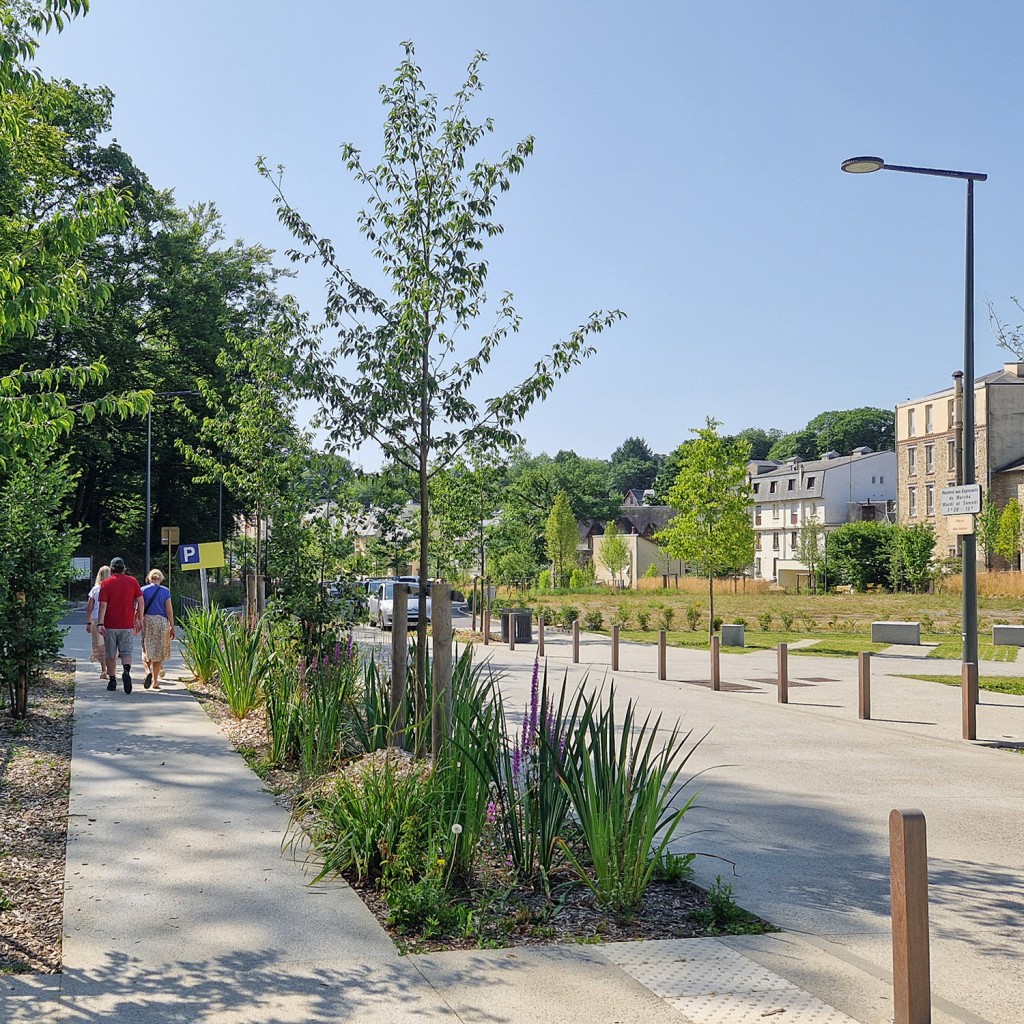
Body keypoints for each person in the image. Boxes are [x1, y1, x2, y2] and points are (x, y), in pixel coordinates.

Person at [97, 556, 144, 693]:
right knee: (126, 652)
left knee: (110, 655)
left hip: (110, 625)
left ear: (111, 570)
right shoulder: (133, 581)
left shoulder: (106, 583)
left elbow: (103, 606)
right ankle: (126, 670)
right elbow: (141, 602)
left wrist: (100, 623)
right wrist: (139, 619)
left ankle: (112, 681)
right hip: (127, 624)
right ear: (124, 569)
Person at [140, 569, 174, 690]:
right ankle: (155, 682)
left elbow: (139, 608)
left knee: (146, 648)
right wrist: (172, 627)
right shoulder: (165, 591)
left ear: (149, 578)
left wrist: (137, 622)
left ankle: (147, 671)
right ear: (161, 578)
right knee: (159, 652)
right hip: (162, 622)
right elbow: (169, 611)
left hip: (148, 621)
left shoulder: (143, 590)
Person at [85, 564, 112, 678]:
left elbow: (89, 608)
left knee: (99, 644)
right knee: (110, 644)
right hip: (110, 617)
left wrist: (88, 622)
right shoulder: (112, 588)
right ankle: (111, 669)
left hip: (96, 618)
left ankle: (103, 670)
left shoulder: (95, 589)